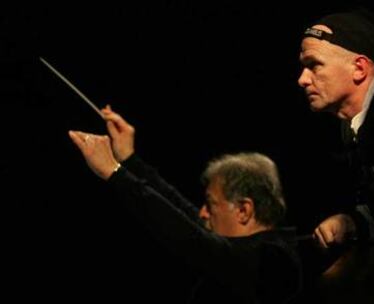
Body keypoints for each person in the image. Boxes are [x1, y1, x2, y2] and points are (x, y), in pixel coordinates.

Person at [68, 106, 302, 304]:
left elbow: (187, 234)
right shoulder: (245, 250)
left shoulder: (273, 262)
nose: (201, 212)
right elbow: (179, 208)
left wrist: (114, 172)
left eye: (210, 205)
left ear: (243, 210)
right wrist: (129, 160)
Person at [298, 8, 374, 302]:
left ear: (359, 68)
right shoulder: (354, 127)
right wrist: (354, 222)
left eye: (314, 65)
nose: (302, 79)